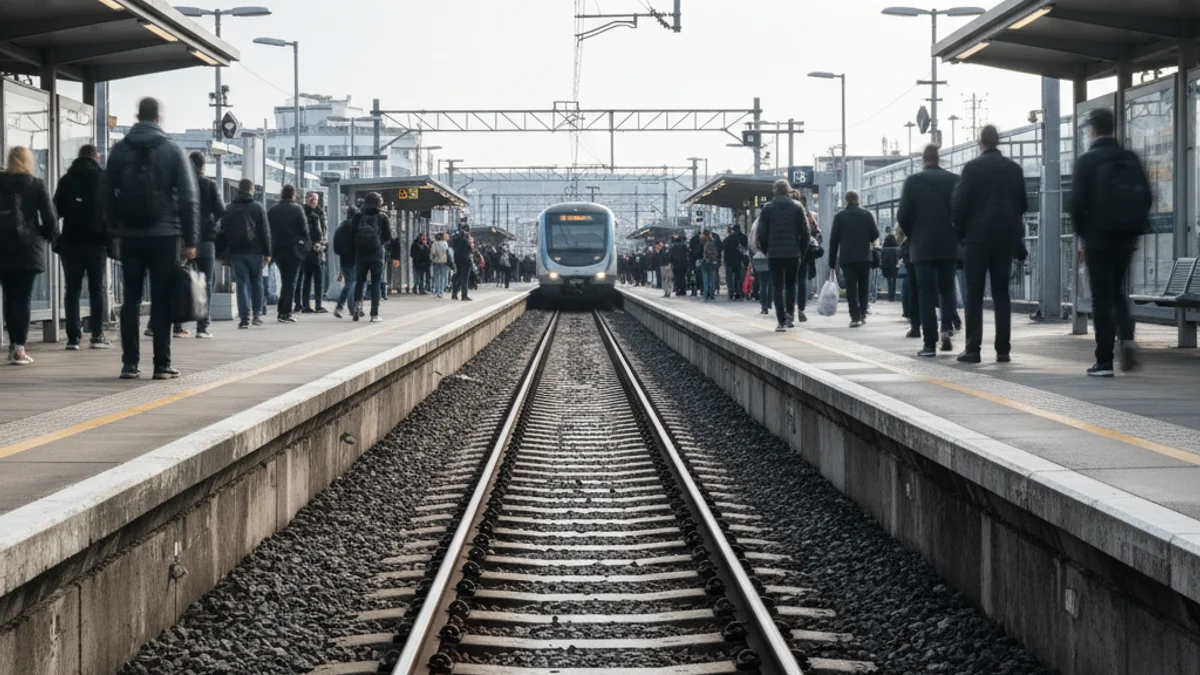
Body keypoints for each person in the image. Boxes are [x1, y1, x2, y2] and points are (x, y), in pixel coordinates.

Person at [106, 98, 198, 380]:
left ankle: (130, 364)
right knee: (161, 299)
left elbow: (106, 193)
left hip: (131, 234)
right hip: (166, 235)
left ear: (137, 116)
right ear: (158, 117)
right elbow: (188, 198)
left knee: (131, 299)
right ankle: (161, 364)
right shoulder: (172, 149)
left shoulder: (121, 149)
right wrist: (191, 240)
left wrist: (114, 229)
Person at [1071, 107, 1152, 377]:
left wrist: (1084, 236)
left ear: (1093, 129)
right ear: (1113, 128)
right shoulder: (1129, 157)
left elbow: (1076, 204)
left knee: (1101, 298)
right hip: (1125, 238)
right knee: (1118, 292)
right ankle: (1127, 340)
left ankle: (1104, 360)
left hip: (1097, 239)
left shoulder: (1087, 161)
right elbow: (1147, 196)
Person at [952, 125, 1027, 363]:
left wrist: (962, 234)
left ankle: (973, 349)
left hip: (976, 239)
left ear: (980, 143)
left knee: (974, 293)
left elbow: (959, 205)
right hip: (1005, 238)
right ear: (998, 142)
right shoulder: (1014, 169)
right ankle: (1003, 349)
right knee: (1001, 293)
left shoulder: (972, 168)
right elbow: (1023, 204)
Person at [898, 143, 961, 357]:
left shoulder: (913, 181)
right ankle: (946, 329)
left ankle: (929, 344)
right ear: (939, 158)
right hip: (948, 245)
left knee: (925, 294)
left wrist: (913, 234)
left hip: (922, 247)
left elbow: (902, 215)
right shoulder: (954, 180)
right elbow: (962, 212)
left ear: (922, 159)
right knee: (947, 289)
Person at [0, 146, 57, 365]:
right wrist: (39, 235)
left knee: (9, 296)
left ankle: (13, 344)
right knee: (23, 298)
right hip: (28, 250)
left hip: (3, 248)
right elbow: (50, 220)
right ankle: (18, 348)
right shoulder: (35, 184)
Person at [54, 144, 111, 350]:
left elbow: (56, 211)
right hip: (96, 243)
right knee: (97, 289)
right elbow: (111, 211)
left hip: (71, 242)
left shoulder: (67, 180)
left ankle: (73, 337)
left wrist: (56, 238)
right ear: (95, 157)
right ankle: (97, 335)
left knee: (72, 290)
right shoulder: (102, 179)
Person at [181, 151, 226, 339]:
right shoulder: (209, 184)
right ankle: (202, 326)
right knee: (206, 281)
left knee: (180, 279)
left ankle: (177, 323)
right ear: (203, 166)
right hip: (206, 239)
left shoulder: (182, 185)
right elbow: (221, 210)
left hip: (183, 240)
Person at [757, 179, 810, 331]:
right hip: (793, 254)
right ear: (788, 191)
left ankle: (781, 321)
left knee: (777, 286)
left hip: (774, 254)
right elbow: (805, 234)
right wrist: (801, 251)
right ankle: (790, 317)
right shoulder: (797, 207)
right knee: (791, 285)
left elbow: (761, 234)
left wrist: (767, 250)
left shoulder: (767, 209)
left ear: (774, 191)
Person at [219, 179, 271, 329]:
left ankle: (244, 318)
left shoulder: (230, 208)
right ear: (252, 189)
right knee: (257, 282)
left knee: (242, 284)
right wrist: (268, 252)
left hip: (237, 252)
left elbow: (223, 231)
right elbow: (265, 231)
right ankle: (257, 314)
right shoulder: (258, 207)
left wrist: (222, 254)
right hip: (256, 252)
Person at [828, 191, 879, 328]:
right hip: (864, 257)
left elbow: (834, 240)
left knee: (851, 288)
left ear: (846, 200)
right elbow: (875, 235)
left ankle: (854, 317)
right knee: (863, 287)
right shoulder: (866, 214)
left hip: (847, 258)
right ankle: (863, 313)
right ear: (858, 200)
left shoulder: (839, 216)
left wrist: (832, 261)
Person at [267, 184, 308, 324]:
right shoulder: (298, 209)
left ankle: (281, 310)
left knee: (285, 279)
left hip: (277, 250)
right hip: (294, 250)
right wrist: (305, 248)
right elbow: (304, 230)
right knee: (291, 281)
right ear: (293, 195)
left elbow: (268, 231)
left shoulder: (272, 210)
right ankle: (286, 312)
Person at [350, 192, 394, 322]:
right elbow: (388, 236)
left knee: (360, 281)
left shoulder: (358, 215)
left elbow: (352, 233)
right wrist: (378, 242)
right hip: (377, 254)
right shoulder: (382, 217)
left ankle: (357, 307)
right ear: (378, 203)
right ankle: (374, 314)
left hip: (361, 254)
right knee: (376, 283)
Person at [297, 191, 327, 313]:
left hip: (316, 250)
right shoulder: (303, 212)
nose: (312, 200)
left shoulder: (320, 213)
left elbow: (324, 230)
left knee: (316, 278)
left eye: (314, 198)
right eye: (309, 198)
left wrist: (321, 244)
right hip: (307, 250)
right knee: (308, 278)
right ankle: (306, 305)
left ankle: (316, 304)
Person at [331, 206, 358, 317]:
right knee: (351, 284)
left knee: (349, 283)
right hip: (355, 258)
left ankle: (352, 308)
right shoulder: (356, 227)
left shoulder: (340, 228)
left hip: (344, 259)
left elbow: (336, 247)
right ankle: (341, 306)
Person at [748, 213, 772, 315]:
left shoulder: (755, 225)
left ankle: (764, 307)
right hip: (772, 255)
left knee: (763, 282)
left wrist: (754, 254)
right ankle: (769, 302)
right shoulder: (772, 223)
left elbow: (751, 243)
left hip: (759, 257)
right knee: (771, 281)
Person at [723, 224, 748, 300]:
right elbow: (746, 249)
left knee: (729, 278)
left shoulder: (728, 238)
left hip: (729, 261)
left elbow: (724, 248)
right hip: (739, 261)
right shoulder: (744, 238)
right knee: (738, 277)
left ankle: (731, 293)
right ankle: (738, 292)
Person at [450, 223, 474, 301]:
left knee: (457, 276)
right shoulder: (467, 238)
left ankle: (454, 294)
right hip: (466, 259)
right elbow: (470, 249)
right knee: (464, 278)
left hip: (457, 258)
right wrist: (471, 243)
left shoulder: (455, 237)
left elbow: (452, 246)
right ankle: (464, 295)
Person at [430, 231, 451, 298]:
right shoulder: (445, 244)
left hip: (436, 262)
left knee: (436, 276)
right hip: (444, 262)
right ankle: (441, 292)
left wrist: (433, 259)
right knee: (443, 277)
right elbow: (448, 253)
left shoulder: (434, 244)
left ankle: (436, 291)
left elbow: (432, 253)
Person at [880, 235, 900, 302]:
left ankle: (889, 296)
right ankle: (892, 296)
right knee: (894, 281)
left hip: (886, 266)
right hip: (894, 266)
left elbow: (881, 258)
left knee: (889, 281)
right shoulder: (897, 248)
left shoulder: (883, 249)